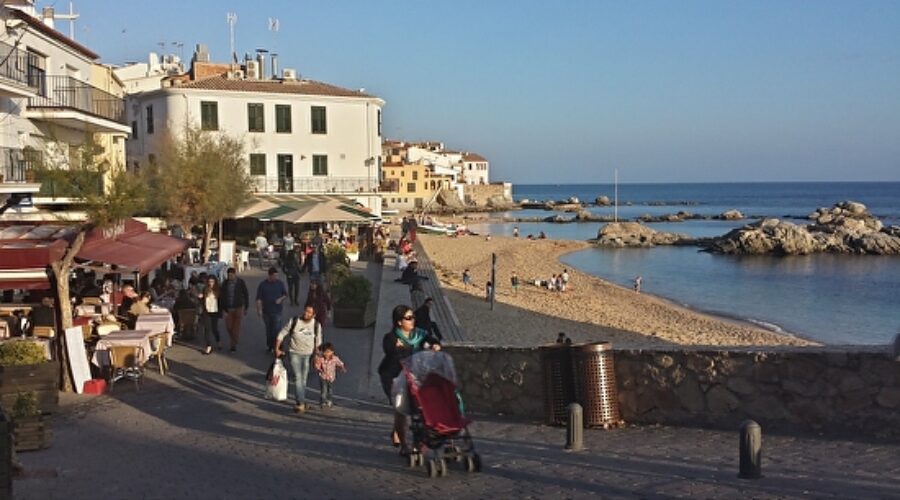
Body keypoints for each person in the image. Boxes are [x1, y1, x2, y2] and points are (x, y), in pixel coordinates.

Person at [377, 305, 441, 455]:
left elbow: (431, 339)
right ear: (399, 322)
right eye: (408, 318)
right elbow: (390, 349)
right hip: (393, 376)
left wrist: (436, 344)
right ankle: (404, 445)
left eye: (413, 317)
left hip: (414, 375)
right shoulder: (391, 337)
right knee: (401, 409)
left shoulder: (418, 334)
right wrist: (398, 348)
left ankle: (417, 440)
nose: (412, 320)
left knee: (420, 408)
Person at [274, 305, 322, 413]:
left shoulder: (316, 325)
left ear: (314, 315)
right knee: (298, 377)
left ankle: (300, 401)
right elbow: (281, 334)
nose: (306, 314)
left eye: (309, 312)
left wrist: (317, 356)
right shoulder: (294, 321)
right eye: (305, 311)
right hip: (294, 353)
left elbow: (318, 342)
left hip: (308, 355)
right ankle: (300, 403)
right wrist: (277, 348)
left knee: (303, 379)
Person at [256, 267, 288, 352]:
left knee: (277, 330)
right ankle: (270, 345)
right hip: (266, 311)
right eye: (274, 276)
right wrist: (259, 310)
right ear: (269, 276)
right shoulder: (263, 285)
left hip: (277, 311)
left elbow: (285, 294)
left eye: (277, 276)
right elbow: (259, 298)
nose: (276, 278)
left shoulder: (280, 283)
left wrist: (280, 299)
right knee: (269, 330)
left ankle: (278, 347)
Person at [219, 268, 249, 352]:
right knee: (228, 326)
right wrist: (222, 309)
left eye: (232, 275)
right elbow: (221, 296)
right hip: (228, 308)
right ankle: (234, 339)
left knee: (236, 327)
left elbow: (246, 294)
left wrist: (246, 307)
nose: (230, 277)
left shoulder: (240, 282)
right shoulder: (225, 283)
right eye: (229, 275)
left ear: (235, 274)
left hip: (238, 307)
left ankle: (233, 344)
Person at [314, 342, 346, 409]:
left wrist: (342, 368)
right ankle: (323, 402)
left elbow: (340, 363)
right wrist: (318, 369)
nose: (327, 354)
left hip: (331, 377)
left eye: (328, 352)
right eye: (325, 352)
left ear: (332, 352)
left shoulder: (335, 358)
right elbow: (317, 366)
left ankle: (329, 401)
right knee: (324, 390)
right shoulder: (321, 358)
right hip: (323, 377)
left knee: (330, 390)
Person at [200, 277, 222, 355]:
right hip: (207, 311)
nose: (211, 283)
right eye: (209, 281)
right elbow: (202, 299)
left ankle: (218, 340)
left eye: (212, 282)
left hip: (215, 311)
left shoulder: (218, 290)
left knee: (214, 328)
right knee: (207, 329)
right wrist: (200, 297)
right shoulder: (205, 289)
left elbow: (221, 301)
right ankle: (208, 346)